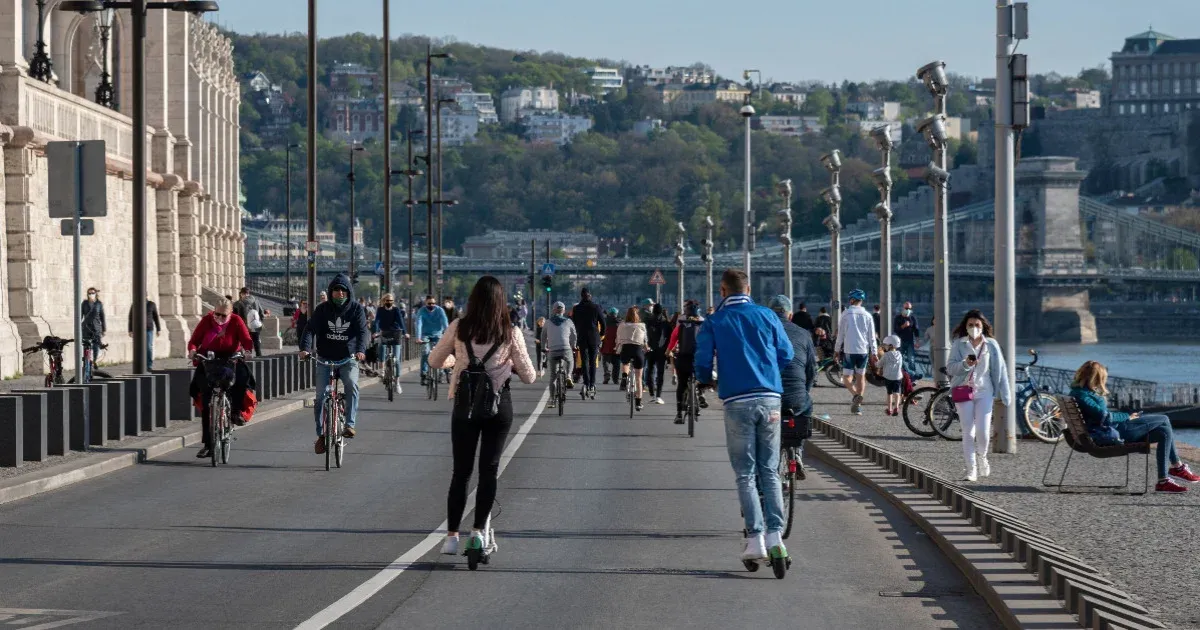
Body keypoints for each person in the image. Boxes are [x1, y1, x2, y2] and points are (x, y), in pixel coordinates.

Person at [431, 276, 536, 556]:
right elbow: (530, 376)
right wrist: (509, 363)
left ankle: (451, 538)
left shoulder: (459, 327)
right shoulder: (509, 332)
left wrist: (457, 360)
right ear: (501, 302)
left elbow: (433, 360)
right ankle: (477, 533)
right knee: (488, 470)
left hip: (464, 406)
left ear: (473, 300)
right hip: (498, 406)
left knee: (461, 472)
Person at [696, 270, 794, 565]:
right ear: (748, 288)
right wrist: (767, 372)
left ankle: (755, 540)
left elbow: (702, 362)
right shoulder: (767, 315)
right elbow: (786, 354)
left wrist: (707, 380)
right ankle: (777, 538)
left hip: (737, 400)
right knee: (770, 470)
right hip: (770, 398)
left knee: (746, 473)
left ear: (722, 290)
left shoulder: (715, 321)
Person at [1070, 361, 1199, 492]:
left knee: (1164, 432)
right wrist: (1127, 416)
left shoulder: (1078, 393)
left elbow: (1102, 416)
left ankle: (1164, 480)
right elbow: (1105, 418)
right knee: (1164, 418)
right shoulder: (1084, 396)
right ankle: (1177, 468)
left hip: (1107, 430)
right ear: (1097, 378)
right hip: (1113, 433)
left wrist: (1125, 416)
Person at [299, 274, 369, 453]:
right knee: (320, 397)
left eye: (343, 290)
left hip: (348, 358)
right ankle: (321, 435)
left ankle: (350, 424)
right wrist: (305, 349)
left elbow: (362, 332)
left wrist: (361, 350)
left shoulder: (356, 310)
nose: (339, 293)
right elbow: (309, 330)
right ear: (331, 292)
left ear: (348, 292)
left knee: (352, 384)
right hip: (325, 358)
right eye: (336, 290)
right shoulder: (322, 310)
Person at [946, 310, 1012, 482]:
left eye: (977, 325)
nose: (974, 328)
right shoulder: (958, 344)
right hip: (963, 390)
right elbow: (950, 368)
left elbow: (1001, 369)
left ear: (983, 327)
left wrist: (1005, 393)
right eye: (970, 325)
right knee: (968, 431)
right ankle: (971, 469)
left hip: (985, 392)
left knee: (982, 431)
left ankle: (982, 456)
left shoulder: (991, 344)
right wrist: (965, 364)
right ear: (965, 326)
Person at [186, 298, 253, 459]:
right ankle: (208, 445)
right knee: (205, 396)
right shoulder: (207, 321)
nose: (220, 318)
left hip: (231, 358)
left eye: (224, 316)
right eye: (217, 314)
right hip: (209, 359)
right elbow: (194, 341)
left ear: (231, 313)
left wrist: (248, 350)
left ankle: (235, 412)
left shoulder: (236, 321)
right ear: (213, 311)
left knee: (242, 380)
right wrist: (193, 350)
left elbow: (246, 339)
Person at [768, 295, 817, 421]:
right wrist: (803, 391)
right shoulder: (804, 334)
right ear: (790, 316)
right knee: (806, 411)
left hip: (767, 398)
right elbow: (811, 370)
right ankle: (800, 439)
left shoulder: (760, 332)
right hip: (796, 399)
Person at [835, 289, 877, 415]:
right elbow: (872, 337)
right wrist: (874, 353)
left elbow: (840, 334)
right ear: (861, 301)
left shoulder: (846, 314)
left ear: (852, 300)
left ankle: (854, 395)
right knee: (861, 377)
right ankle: (858, 406)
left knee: (846, 377)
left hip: (849, 350)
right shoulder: (868, 315)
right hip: (863, 351)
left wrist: (836, 350)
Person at [667, 300, 710, 424]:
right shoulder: (703, 324)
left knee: (682, 384)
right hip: (699, 359)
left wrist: (669, 350)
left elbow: (673, 339)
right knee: (703, 376)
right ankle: (700, 392)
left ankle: (679, 414)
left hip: (683, 358)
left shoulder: (681, 325)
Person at [569, 287, 605, 397]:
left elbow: (573, 323)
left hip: (581, 338)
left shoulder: (576, 308)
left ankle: (586, 382)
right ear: (590, 296)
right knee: (593, 361)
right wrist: (601, 335)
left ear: (581, 296)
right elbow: (603, 323)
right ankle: (592, 384)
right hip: (594, 338)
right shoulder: (596, 307)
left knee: (584, 361)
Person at [541, 302, 578, 406]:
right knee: (570, 360)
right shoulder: (569, 321)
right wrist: (573, 345)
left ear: (553, 310)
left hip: (552, 351)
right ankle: (569, 376)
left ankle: (552, 400)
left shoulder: (547, 322)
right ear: (564, 311)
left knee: (553, 376)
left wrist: (544, 347)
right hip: (565, 349)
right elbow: (574, 335)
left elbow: (543, 336)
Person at [372, 293, 408, 391]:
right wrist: (375, 331)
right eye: (387, 301)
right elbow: (377, 321)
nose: (389, 302)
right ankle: (382, 370)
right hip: (384, 332)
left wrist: (405, 333)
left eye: (391, 301)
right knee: (382, 348)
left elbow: (401, 321)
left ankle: (397, 383)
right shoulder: (380, 310)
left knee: (396, 359)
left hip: (395, 333)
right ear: (384, 301)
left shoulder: (396, 310)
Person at [617, 306, 649, 410]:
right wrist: (647, 348)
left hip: (626, 349)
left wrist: (617, 346)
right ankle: (638, 403)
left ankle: (624, 376)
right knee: (639, 378)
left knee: (625, 363)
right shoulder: (642, 325)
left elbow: (618, 338)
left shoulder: (622, 325)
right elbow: (645, 341)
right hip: (638, 350)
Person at [415, 294, 450, 386]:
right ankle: (424, 374)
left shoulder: (440, 310)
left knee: (440, 353)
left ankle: (441, 373)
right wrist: (418, 337)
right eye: (429, 303)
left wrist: (448, 335)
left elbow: (445, 323)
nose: (431, 305)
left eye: (433, 303)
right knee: (425, 352)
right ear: (425, 303)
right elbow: (419, 324)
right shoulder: (421, 311)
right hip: (425, 335)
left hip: (438, 334)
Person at [644, 303, 671, 405]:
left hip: (650, 350)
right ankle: (658, 396)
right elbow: (669, 338)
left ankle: (651, 394)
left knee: (649, 371)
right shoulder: (665, 323)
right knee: (660, 373)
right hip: (662, 351)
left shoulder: (648, 321)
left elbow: (644, 335)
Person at [127, 296, 162, 370]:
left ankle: (149, 365)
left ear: (146, 296)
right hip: (137, 330)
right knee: (138, 348)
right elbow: (131, 317)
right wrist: (130, 330)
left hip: (148, 329)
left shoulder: (151, 304)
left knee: (148, 347)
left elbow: (156, 317)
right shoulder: (134, 304)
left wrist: (158, 329)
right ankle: (139, 365)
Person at [894, 301, 921, 380]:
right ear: (903, 308)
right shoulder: (898, 317)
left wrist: (917, 341)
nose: (908, 309)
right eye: (906, 308)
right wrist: (903, 326)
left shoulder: (912, 317)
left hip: (910, 341)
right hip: (900, 342)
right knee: (899, 358)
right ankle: (901, 374)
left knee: (911, 360)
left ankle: (913, 377)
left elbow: (916, 329)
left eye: (909, 308)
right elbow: (896, 330)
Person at [879, 335, 904, 416]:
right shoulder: (900, 354)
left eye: (886, 345)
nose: (884, 347)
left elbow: (879, 365)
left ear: (890, 345)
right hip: (898, 377)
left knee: (889, 393)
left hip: (888, 377)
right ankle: (896, 407)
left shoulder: (885, 355)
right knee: (897, 392)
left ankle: (889, 409)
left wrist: (876, 362)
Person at [81, 287, 107, 354]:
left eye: (93, 293)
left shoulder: (99, 304)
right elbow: (80, 316)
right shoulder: (84, 303)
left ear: (95, 294)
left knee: (96, 347)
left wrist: (104, 330)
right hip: (86, 328)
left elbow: (102, 317)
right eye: (89, 293)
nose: (91, 294)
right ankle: (86, 362)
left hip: (96, 328)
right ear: (87, 294)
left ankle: (94, 361)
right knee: (86, 346)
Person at [600, 307, 621, 385]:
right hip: (616, 346)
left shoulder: (604, 322)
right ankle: (615, 379)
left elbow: (601, 333)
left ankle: (607, 375)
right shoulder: (619, 323)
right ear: (616, 314)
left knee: (606, 362)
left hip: (606, 345)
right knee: (616, 364)